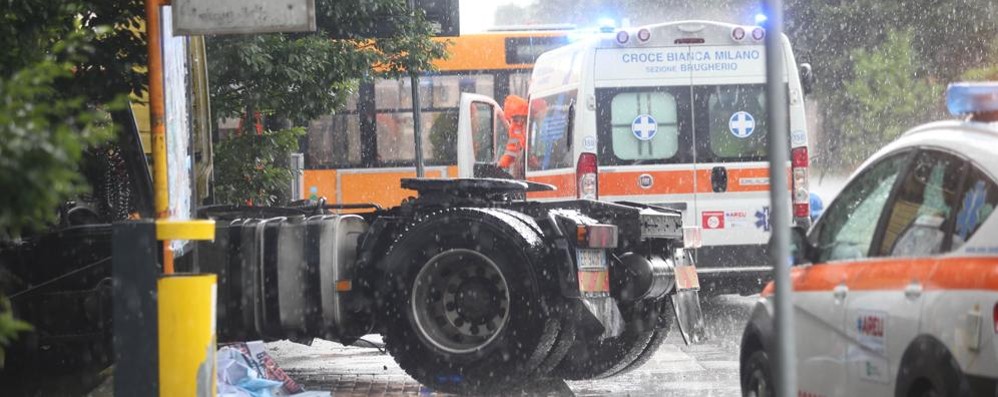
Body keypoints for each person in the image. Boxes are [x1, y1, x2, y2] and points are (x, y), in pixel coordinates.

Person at [497, 95, 528, 178]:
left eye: (515, 117)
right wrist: (501, 164)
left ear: (522, 114)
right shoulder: (514, 128)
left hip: (531, 166)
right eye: (513, 118)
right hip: (524, 166)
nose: (514, 121)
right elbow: (511, 150)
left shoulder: (532, 121)